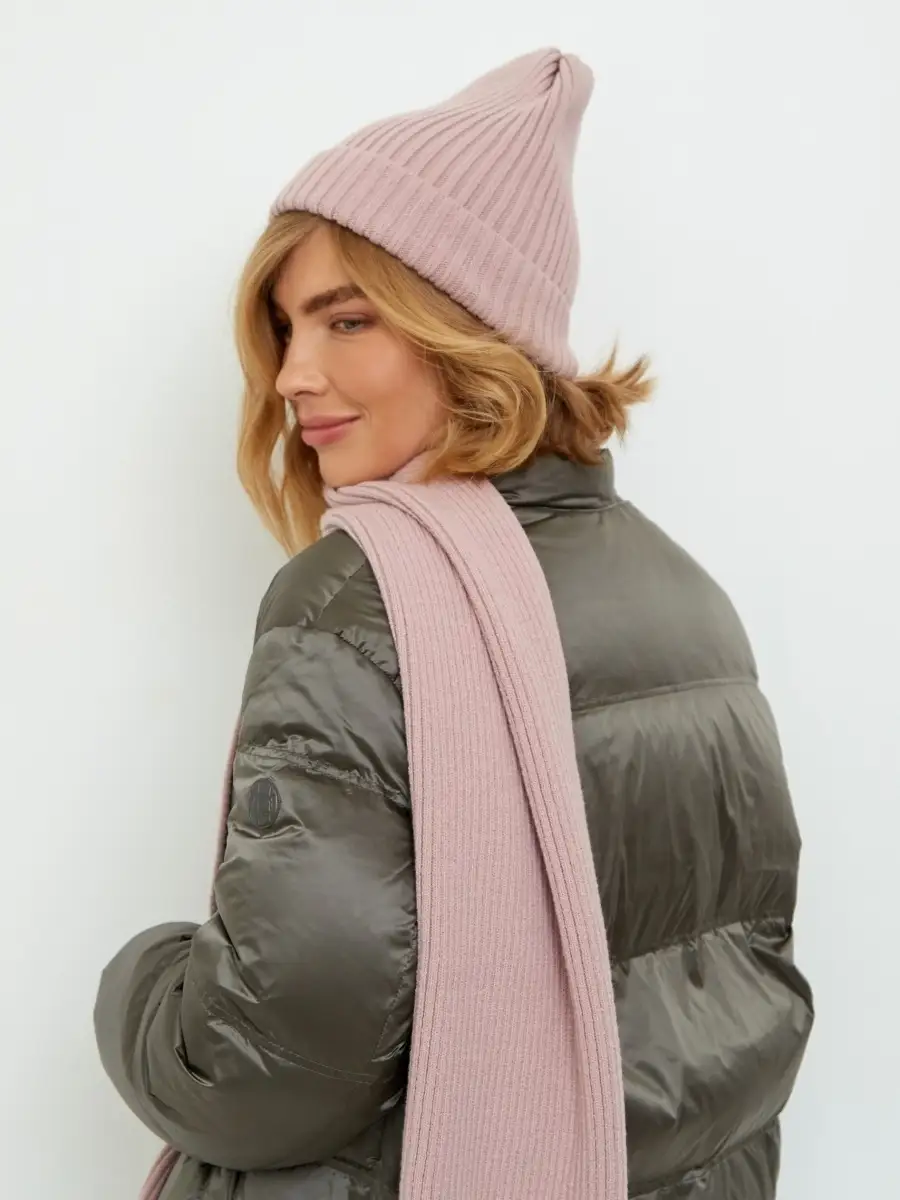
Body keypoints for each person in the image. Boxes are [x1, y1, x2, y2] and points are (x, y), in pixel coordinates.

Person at [94, 47, 813, 1200]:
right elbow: (737, 1007)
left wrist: (138, 984)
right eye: (285, 329)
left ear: (469, 326)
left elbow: (263, 1071)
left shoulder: (356, 603)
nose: (291, 376)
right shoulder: (688, 596)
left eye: (346, 321)